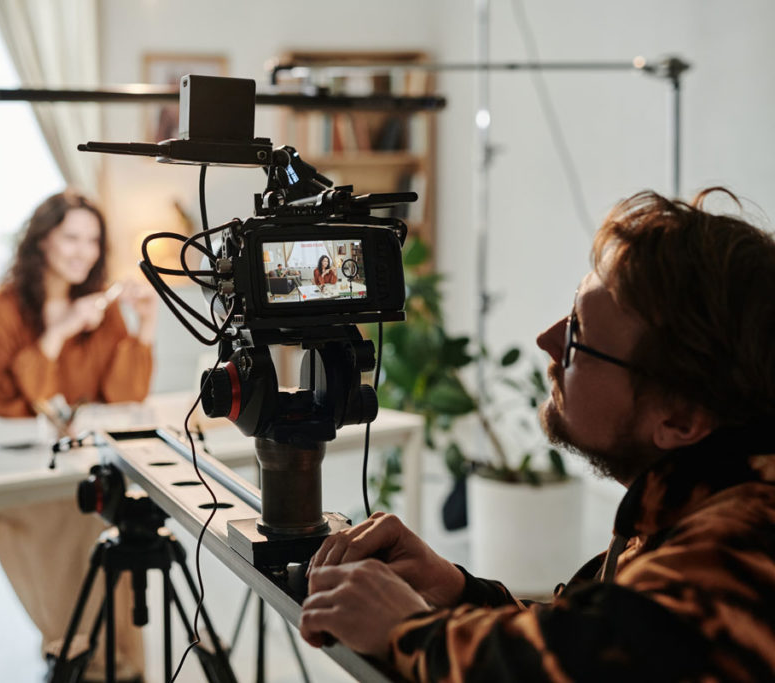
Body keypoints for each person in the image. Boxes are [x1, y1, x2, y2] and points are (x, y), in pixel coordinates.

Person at [299, 188, 775, 680]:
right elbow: (584, 639)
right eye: (572, 311)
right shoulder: (689, 505)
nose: (547, 340)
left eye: (579, 338)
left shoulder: (736, 557)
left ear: (680, 419)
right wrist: (461, 592)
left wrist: (411, 629)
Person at [0, 189, 157, 682]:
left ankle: (113, 660)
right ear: (41, 242)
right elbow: (8, 409)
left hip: (83, 463)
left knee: (112, 513)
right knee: (84, 516)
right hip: (17, 475)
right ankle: (79, 646)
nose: (83, 251)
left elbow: (126, 397)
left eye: (93, 240)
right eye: (71, 237)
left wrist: (147, 327)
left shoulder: (104, 309)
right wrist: (57, 334)